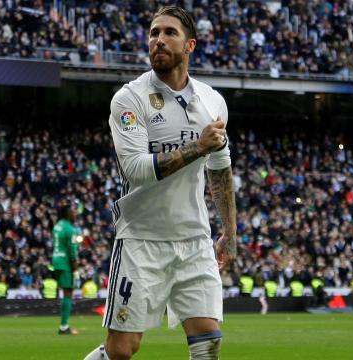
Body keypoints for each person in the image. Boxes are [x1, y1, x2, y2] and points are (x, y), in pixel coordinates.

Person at [84, 6, 236, 360]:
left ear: (190, 45)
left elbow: (219, 167)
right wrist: (197, 145)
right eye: (154, 33)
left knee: (208, 342)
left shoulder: (212, 101)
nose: (159, 40)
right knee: (122, 350)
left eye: (169, 33)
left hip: (195, 239)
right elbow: (135, 168)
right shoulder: (130, 98)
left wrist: (229, 230)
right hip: (141, 238)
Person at [51, 200, 80, 335]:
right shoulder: (70, 229)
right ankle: (64, 327)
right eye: (73, 212)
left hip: (55, 260)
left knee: (64, 292)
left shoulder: (57, 226)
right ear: (68, 214)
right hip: (65, 263)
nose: (75, 214)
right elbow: (72, 252)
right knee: (68, 292)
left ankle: (64, 324)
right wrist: (76, 270)